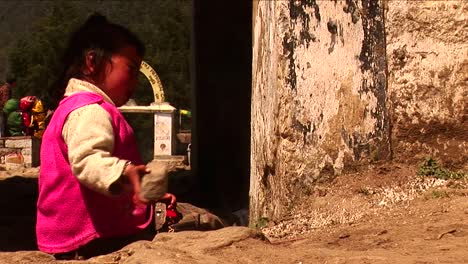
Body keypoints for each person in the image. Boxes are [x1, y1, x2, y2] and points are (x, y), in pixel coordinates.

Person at [36, 13, 176, 260]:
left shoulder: (75, 106)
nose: (135, 81)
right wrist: (124, 172)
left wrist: (141, 190)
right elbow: (88, 160)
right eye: (131, 70)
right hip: (91, 238)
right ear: (92, 62)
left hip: (74, 233)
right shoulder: (89, 110)